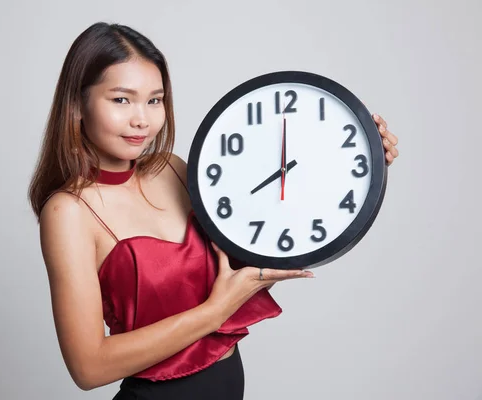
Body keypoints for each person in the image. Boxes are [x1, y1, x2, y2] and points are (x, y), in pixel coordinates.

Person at [27, 22, 400, 400]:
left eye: (154, 100)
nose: (142, 119)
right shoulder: (68, 211)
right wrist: (214, 312)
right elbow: (88, 367)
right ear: (77, 104)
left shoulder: (172, 168)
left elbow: (248, 251)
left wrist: (355, 156)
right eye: (121, 100)